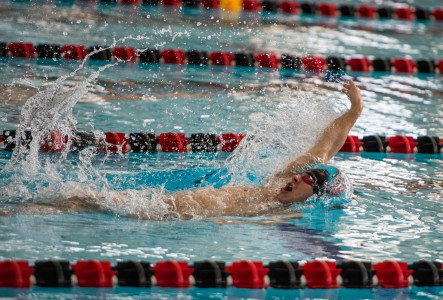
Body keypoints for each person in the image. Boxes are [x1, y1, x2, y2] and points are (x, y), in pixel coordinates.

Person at [3, 80, 363, 219]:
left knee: (81, 201)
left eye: (307, 180)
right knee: (82, 198)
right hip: (180, 202)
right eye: (304, 173)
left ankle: (19, 210)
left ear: (312, 196)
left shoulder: (289, 214)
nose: (300, 175)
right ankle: (19, 208)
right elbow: (325, 148)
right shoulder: (285, 181)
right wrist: (354, 112)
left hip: (180, 213)